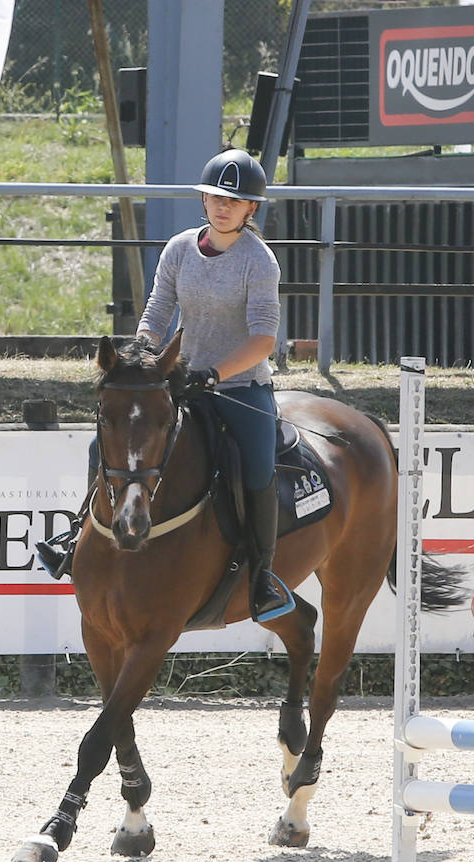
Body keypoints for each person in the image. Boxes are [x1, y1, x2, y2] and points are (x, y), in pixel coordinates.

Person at [36, 149, 289, 621]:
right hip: (176, 382)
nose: (223, 207)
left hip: (239, 387)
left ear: (251, 209)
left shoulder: (260, 262)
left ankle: (262, 578)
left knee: (257, 470)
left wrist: (214, 373)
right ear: (204, 199)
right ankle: (74, 538)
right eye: (216, 197)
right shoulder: (178, 249)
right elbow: (155, 313)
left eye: (234, 201)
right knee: (105, 445)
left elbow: (263, 339)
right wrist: (143, 359)